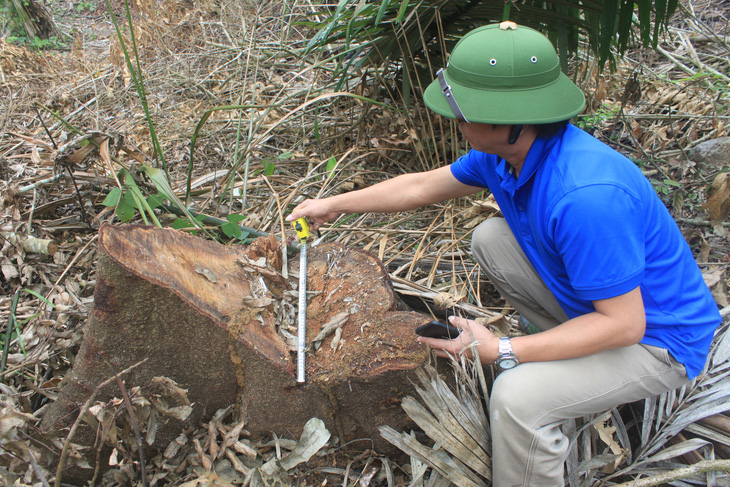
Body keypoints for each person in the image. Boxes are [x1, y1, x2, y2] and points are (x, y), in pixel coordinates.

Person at [287, 22, 721, 486]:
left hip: (657, 343)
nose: (453, 119)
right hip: (605, 309)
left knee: (516, 397)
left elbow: (625, 325)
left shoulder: (586, 196)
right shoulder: (504, 153)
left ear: (511, 116)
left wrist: (502, 351)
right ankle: (567, 355)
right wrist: (332, 205)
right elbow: (419, 186)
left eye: (464, 109)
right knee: (491, 239)